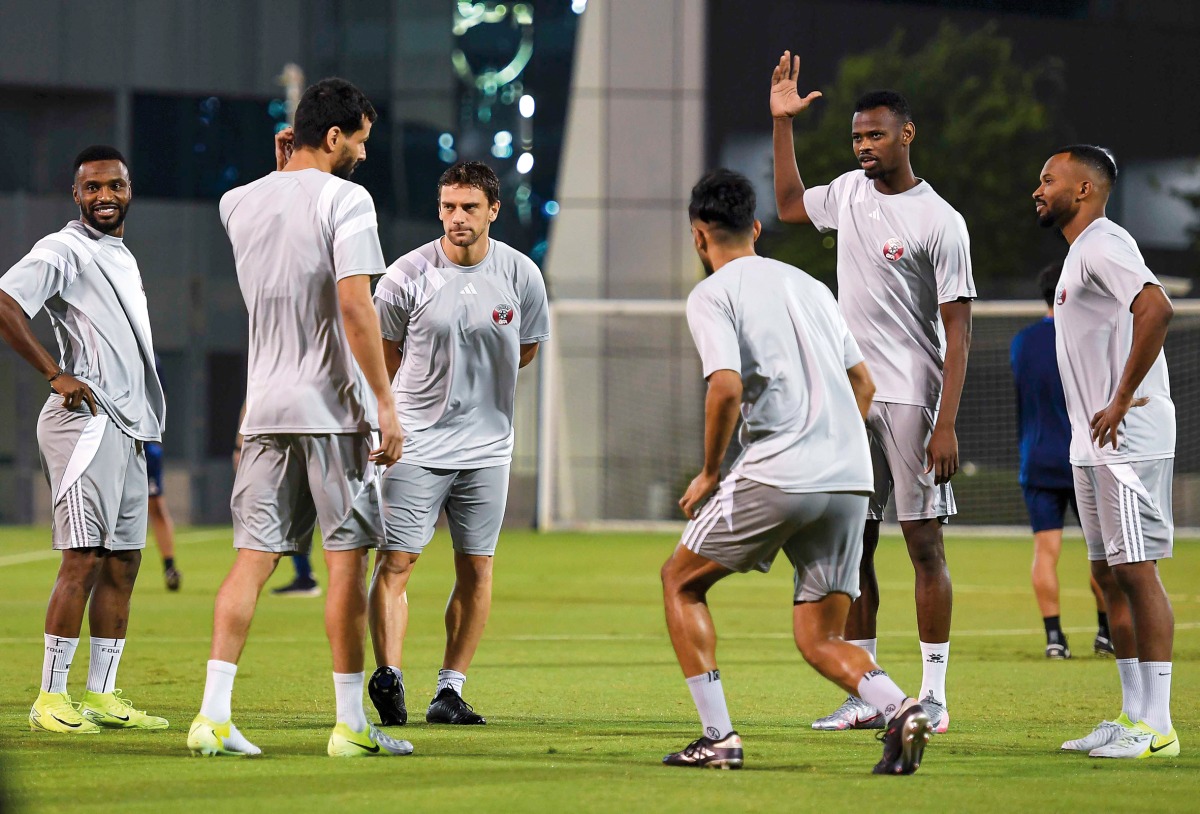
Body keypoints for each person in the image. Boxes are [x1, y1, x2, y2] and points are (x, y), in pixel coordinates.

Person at [660, 168, 932, 774]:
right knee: (821, 637)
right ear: (756, 228)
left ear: (699, 236)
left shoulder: (713, 293)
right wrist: (833, 439)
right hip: (850, 477)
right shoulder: (811, 287)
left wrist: (709, 473)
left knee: (680, 580)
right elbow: (863, 383)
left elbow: (725, 388)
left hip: (783, 469)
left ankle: (718, 737)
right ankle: (903, 708)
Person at [186, 78, 411, 758]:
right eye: (361, 142)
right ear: (336, 137)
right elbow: (355, 306)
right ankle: (349, 725)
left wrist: (281, 163)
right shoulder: (348, 199)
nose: (365, 157)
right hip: (331, 411)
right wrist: (386, 400)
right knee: (346, 565)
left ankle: (212, 717)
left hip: (262, 413)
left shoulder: (237, 201)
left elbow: (276, 200)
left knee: (251, 560)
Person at [770, 52, 974, 733]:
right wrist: (782, 125)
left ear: (906, 134)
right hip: (853, 398)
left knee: (923, 545)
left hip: (913, 399)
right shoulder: (849, 195)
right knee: (853, 543)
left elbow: (958, 331)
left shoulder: (939, 220)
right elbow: (791, 205)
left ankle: (936, 695)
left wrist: (946, 425)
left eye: (876, 135)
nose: (864, 146)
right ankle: (867, 690)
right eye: (858, 137)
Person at [365, 160, 549, 727]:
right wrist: (397, 416)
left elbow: (526, 349)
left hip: (488, 449)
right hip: (416, 445)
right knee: (397, 560)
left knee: (477, 568)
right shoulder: (404, 276)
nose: (456, 217)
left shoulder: (521, 276)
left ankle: (450, 690)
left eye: (469, 207)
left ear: (493, 210)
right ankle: (389, 677)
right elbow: (383, 355)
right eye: (448, 206)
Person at [0, 145, 169, 734]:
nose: (104, 196)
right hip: (86, 422)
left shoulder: (116, 253)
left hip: (125, 427)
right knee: (83, 559)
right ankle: (50, 698)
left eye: (114, 186)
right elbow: (4, 300)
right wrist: (54, 371)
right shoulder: (63, 247)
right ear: (76, 194)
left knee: (123, 564)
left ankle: (100, 694)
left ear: (129, 190)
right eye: (92, 187)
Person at [1033, 145, 1178, 759]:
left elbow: (1157, 307)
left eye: (1048, 179)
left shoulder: (1103, 242)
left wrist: (1120, 398)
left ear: (1085, 189)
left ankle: (1160, 726)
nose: (1037, 189)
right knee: (1107, 576)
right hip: (1091, 443)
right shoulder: (1077, 255)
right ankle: (1130, 715)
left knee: (1136, 571)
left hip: (1128, 436)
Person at [1010, 263, 1111, 659]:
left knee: (1045, 551)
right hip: (1084, 455)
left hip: (1037, 458)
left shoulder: (1022, 342)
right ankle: (1106, 632)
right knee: (1100, 551)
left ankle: (1054, 639)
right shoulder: (1084, 338)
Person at [146, 356, 181, 591]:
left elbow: (162, 397)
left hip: (145, 443)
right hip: (112, 440)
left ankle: (169, 566)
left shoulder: (152, 359)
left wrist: (154, 430)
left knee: (156, 504)